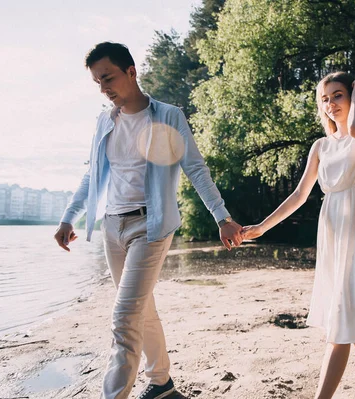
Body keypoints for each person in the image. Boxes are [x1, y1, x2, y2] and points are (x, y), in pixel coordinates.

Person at [53, 42, 243, 399]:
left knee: (124, 318)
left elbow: (195, 169)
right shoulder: (104, 120)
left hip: (150, 226)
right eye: (97, 82)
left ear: (131, 71)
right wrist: (68, 217)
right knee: (142, 309)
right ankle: (161, 383)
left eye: (107, 78)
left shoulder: (167, 115)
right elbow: (91, 175)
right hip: (113, 227)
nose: (103, 88)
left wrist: (223, 217)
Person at [242, 72, 355, 399]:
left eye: (337, 95)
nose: (330, 103)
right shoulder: (320, 147)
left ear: (354, 96)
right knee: (347, 314)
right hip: (333, 230)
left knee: (341, 321)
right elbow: (299, 195)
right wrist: (261, 228)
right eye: (324, 98)